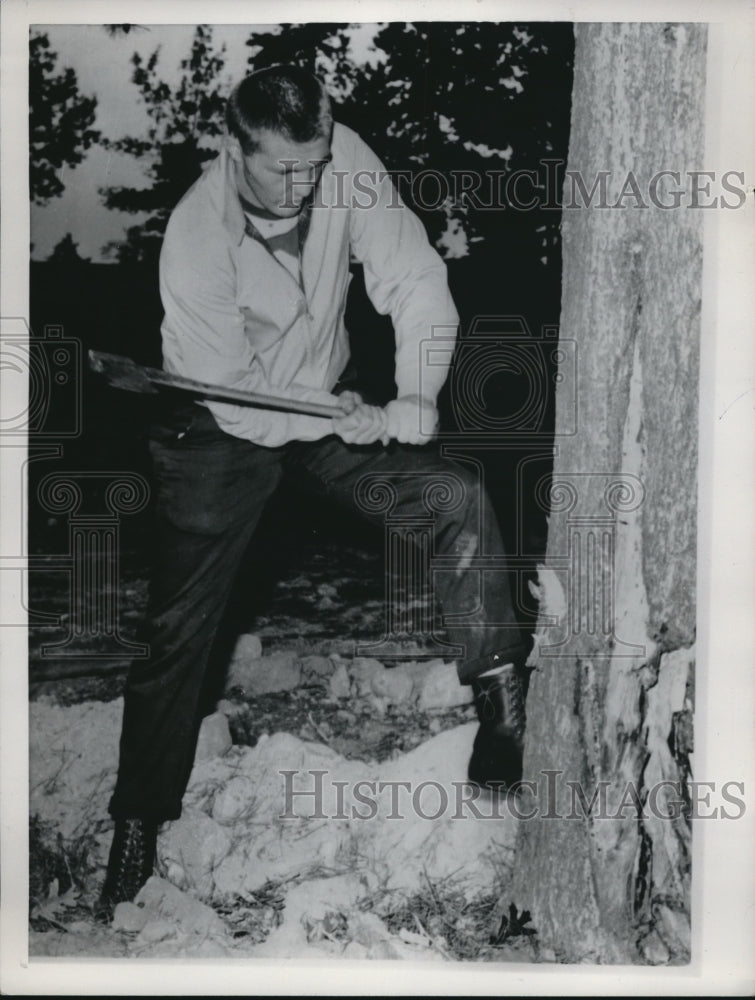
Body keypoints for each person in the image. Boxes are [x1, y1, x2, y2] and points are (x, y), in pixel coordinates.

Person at [96, 65, 528, 920]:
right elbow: (234, 395)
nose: (306, 184)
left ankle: (505, 717)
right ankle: (138, 829)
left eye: (317, 162)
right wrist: (341, 415)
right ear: (233, 149)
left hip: (326, 406)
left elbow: (413, 279)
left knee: (454, 499)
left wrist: (410, 399)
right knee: (176, 632)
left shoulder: (345, 163)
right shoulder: (194, 232)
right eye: (282, 169)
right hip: (220, 430)